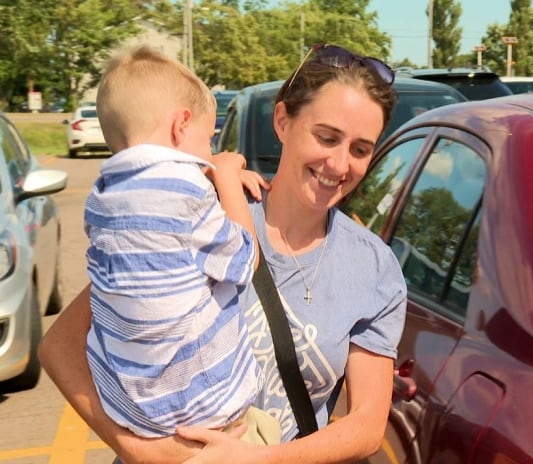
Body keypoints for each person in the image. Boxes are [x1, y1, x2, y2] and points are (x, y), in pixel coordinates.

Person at [39, 42, 407, 463]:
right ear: (283, 121)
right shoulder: (199, 213)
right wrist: (137, 449)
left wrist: (255, 458)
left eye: (360, 149)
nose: (340, 165)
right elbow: (60, 345)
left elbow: (367, 426)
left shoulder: (374, 268)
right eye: (326, 137)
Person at [80, 45, 279, 445]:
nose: (209, 154)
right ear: (180, 125)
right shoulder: (185, 190)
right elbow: (246, 258)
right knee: (267, 432)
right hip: (205, 413)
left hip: (135, 413)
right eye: (208, 140)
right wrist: (224, 175)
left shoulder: (101, 199)